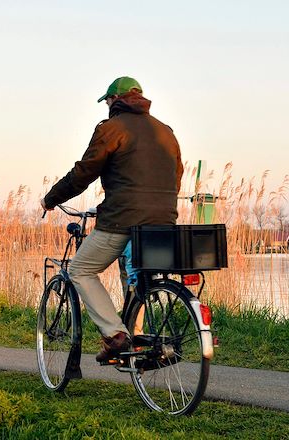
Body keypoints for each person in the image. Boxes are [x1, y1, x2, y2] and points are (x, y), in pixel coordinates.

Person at [41, 76, 183, 363]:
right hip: (162, 221)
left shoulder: (111, 128)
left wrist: (51, 198)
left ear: (114, 100)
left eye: (106, 102)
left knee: (80, 269)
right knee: (137, 277)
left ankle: (115, 334)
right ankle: (137, 337)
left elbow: (84, 171)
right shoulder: (166, 131)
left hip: (122, 219)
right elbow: (176, 175)